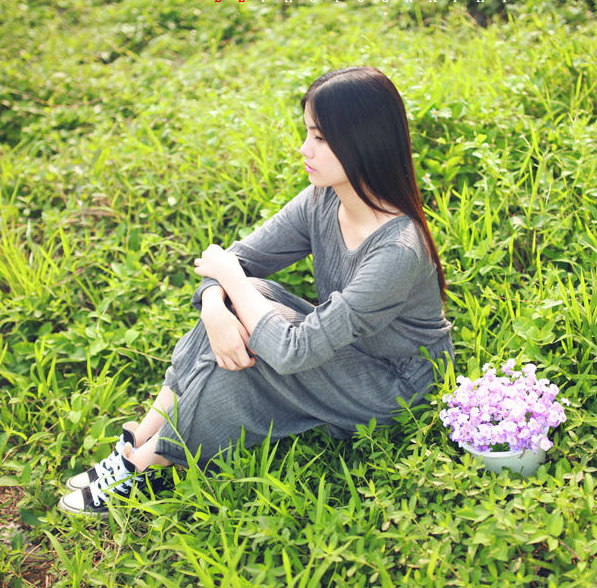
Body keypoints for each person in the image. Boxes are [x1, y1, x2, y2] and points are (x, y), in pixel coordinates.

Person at [58, 66, 454, 517]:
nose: (304, 149)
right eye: (307, 133)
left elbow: (292, 350)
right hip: (341, 349)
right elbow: (237, 261)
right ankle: (140, 437)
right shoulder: (322, 199)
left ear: (364, 141)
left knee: (247, 364)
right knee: (244, 299)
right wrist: (214, 306)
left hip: (397, 386)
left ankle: (148, 464)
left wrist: (230, 278)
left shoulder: (399, 249)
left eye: (320, 138)